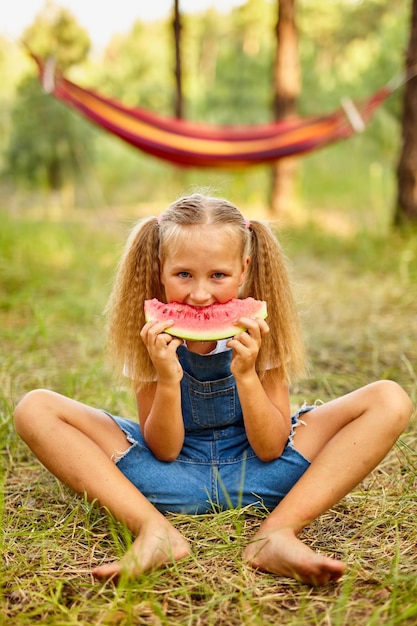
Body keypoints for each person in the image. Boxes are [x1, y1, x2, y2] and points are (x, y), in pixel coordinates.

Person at [14, 193, 412, 586]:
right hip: (171, 476)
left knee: (389, 398)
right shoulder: (150, 332)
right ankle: (154, 530)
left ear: (244, 269)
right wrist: (168, 379)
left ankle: (277, 533)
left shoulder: (259, 330)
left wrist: (247, 374)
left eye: (218, 276)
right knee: (35, 408)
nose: (201, 295)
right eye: (183, 274)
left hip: (261, 472)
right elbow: (163, 449)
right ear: (159, 268)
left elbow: (272, 446)